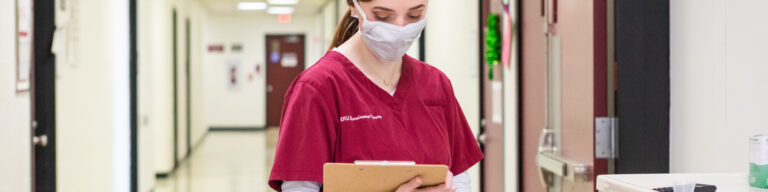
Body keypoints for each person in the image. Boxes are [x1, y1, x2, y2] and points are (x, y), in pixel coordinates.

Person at [268, 0, 484, 191]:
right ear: (354, 7)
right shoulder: (318, 87)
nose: (400, 27)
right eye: (383, 16)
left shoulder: (436, 84)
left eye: (414, 14)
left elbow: (458, 176)